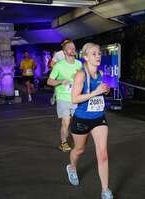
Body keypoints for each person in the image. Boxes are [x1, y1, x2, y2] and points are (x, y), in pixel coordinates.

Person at [66, 43, 113, 199]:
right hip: (82, 119)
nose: (98, 56)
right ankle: (72, 167)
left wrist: (105, 91)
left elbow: (100, 93)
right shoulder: (81, 75)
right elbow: (74, 99)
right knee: (79, 150)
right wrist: (95, 92)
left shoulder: (100, 73)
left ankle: (105, 191)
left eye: (99, 53)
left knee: (103, 154)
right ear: (85, 57)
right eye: (94, 54)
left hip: (99, 118)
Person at [47, 39, 82, 152]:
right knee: (66, 122)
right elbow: (49, 81)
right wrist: (61, 81)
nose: (72, 49)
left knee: (76, 122)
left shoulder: (79, 63)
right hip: (63, 98)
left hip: (76, 97)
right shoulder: (59, 65)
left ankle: (74, 140)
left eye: (73, 47)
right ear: (65, 51)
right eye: (69, 48)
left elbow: (82, 79)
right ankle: (63, 142)